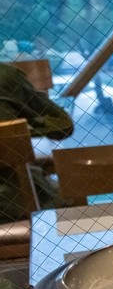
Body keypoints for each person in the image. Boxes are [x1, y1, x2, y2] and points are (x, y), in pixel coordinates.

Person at [0, 62, 74, 222]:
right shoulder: (6, 76)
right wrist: (18, 132)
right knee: (71, 193)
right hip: (19, 207)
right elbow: (63, 126)